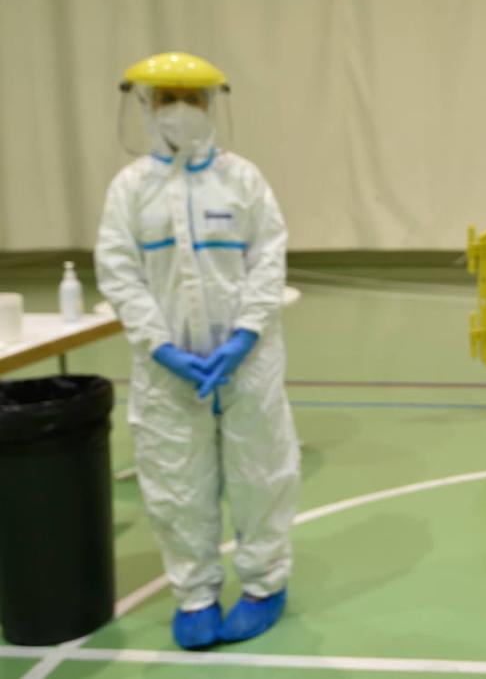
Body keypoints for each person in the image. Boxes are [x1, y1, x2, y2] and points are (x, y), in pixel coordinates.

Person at [95, 52, 300, 649]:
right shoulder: (130, 189)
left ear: (214, 104)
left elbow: (268, 259)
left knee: (259, 470)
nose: (180, 110)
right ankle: (195, 594)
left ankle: (264, 584)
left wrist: (243, 336)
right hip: (166, 366)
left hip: (250, 356)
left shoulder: (242, 180)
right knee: (175, 475)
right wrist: (160, 347)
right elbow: (117, 270)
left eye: (193, 97)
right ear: (144, 105)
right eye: (166, 98)